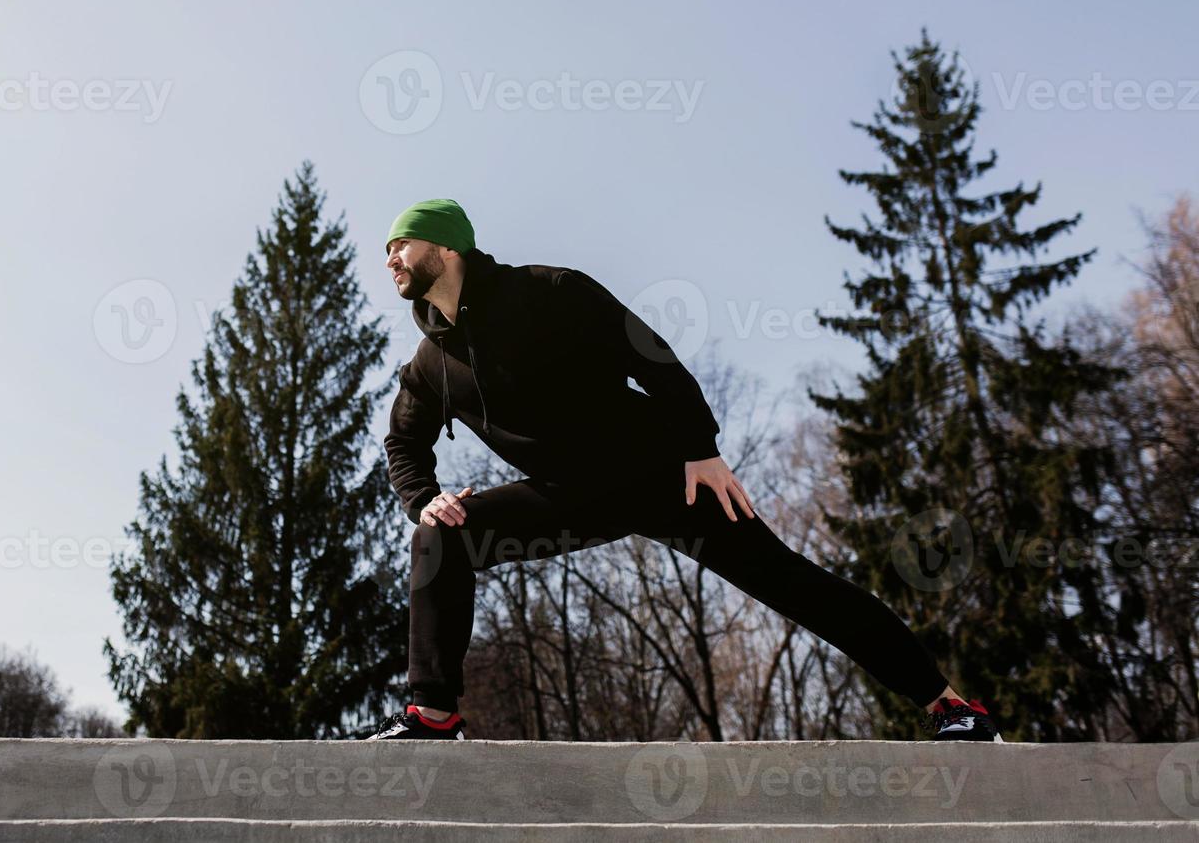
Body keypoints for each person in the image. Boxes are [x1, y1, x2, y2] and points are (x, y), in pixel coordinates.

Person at [365, 198, 1001, 743]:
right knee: (442, 535)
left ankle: (952, 707)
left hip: (664, 474)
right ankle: (434, 714)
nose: (390, 257)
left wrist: (701, 448)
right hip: (568, 497)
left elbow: (653, 356)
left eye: (401, 244)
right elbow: (405, 443)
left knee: (792, 583)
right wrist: (424, 497)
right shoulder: (429, 363)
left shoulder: (549, 291)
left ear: (446, 248)